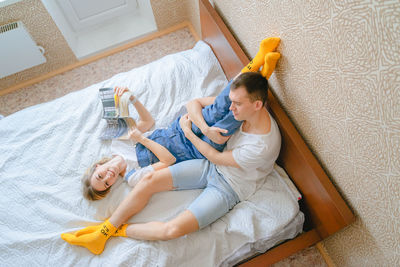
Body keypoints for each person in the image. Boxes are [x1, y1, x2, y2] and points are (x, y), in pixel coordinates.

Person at [61, 71, 282, 255]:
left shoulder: (261, 146)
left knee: (172, 229)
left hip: (230, 186)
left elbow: (215, 156)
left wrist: (188, 130)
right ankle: (105, 230)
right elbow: (201, 104)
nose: (231, 108)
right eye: (231, 102)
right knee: (148, 180)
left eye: (237, 104)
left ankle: (115, 231)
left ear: (257, 105)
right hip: (209, 165)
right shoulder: (240, 110)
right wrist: (202, 127)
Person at [85, 37, 281, 201]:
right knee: (227, 122)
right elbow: (168, 160)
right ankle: (264, 75)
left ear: (97, 166)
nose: (108, 177)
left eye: (100, 176)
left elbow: (148, 123)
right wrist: (142, 140)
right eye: (107, 184)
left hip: (178, 128)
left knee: (218, 108)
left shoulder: (117, 144)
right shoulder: (133, 177)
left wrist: (133, 98)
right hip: (193, 150)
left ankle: (255, 63)